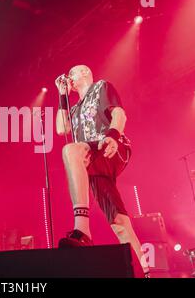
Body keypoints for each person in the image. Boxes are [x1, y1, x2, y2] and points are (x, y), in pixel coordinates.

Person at [55, 64, 149, 276]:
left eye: (73, 73)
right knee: (119, 222)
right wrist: (62, 95)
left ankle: (82, 229)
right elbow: (62, 129)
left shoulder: (101, 87)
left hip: (109, 144)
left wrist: (113, 136)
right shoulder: (75, 107)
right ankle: (144, 272)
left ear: (85, 73)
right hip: (93, 161)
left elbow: (120, 114)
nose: (69, 77)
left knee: (71, 150)